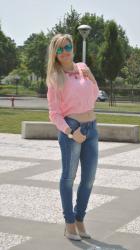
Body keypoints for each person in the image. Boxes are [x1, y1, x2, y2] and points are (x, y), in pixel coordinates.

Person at [46, 33, 99, 241]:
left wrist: (91, 76)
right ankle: (69, 223)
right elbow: (54, 113)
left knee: (89, 178)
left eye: (67, 47)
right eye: (59, 49)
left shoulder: (82, 68)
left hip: (92, 128)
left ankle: (79, 218)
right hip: (72, 129)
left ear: (72, 47)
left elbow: (94, 95)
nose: (64, 52)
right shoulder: (55, 78)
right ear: (55, 53)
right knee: (69, 178)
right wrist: (70, 132)